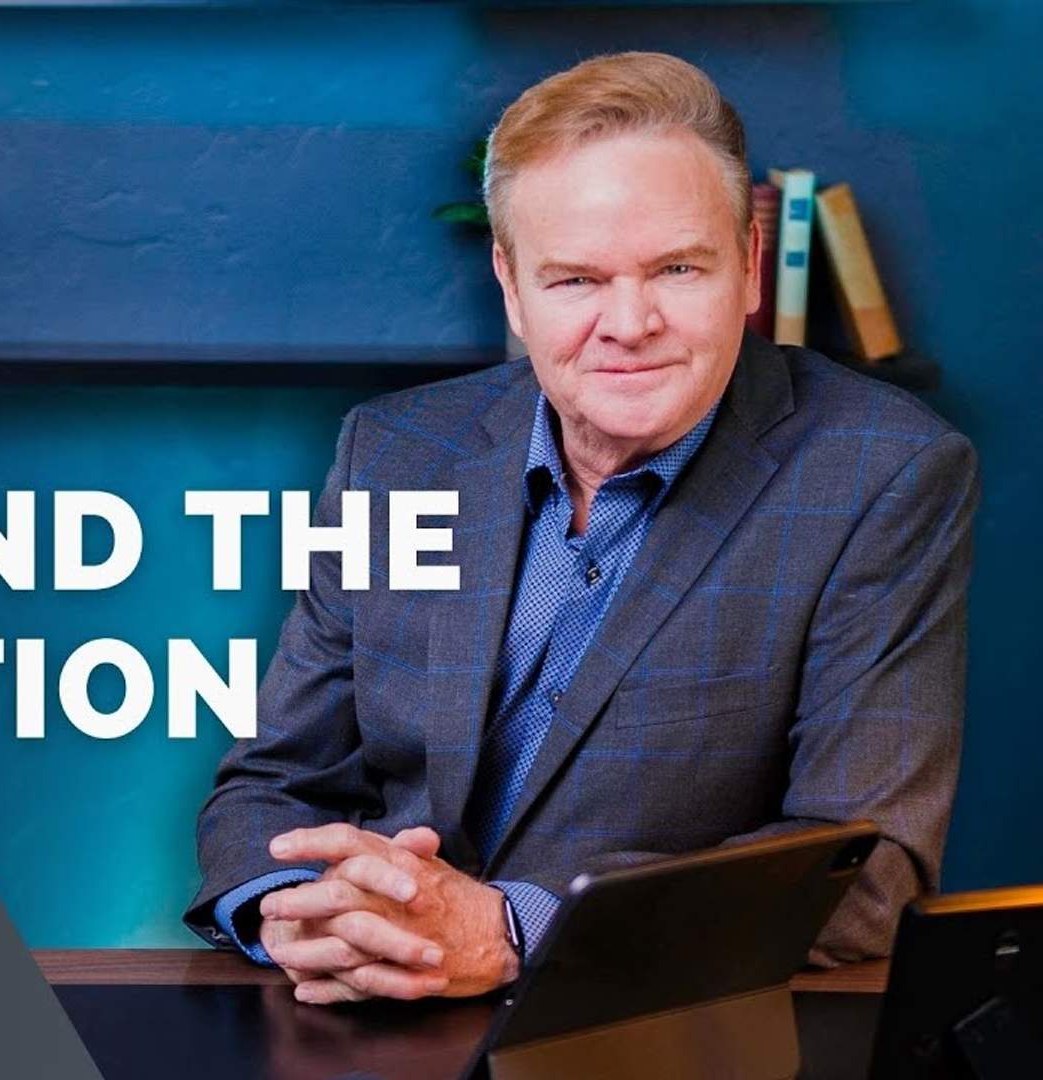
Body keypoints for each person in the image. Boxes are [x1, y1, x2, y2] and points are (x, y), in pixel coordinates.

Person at [186, 51, 978, 1006]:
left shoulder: (884, 474)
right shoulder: (391, 452)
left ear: (749, 266)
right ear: (512, 285)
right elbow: (273, 779)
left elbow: (868, 868)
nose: (629, 322)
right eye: (575, 281)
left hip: (666, 1040)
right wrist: (298, 909)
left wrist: (513, 930)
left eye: (677, 268)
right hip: (359, 1024)